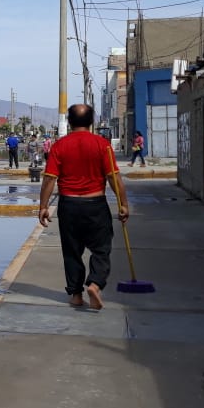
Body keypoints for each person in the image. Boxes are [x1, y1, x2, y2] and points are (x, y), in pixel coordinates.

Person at [38, 104, 129, 310]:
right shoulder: (102, 144)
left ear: (69, 122)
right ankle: (95, 284)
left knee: (72, 251)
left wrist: (43, 206)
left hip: (69, 205)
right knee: (101, 249)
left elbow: (49, 179)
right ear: (91, 121)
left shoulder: (59, 146)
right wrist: (123, 204)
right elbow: (114, 178)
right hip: (95, 204)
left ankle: (76, 295)